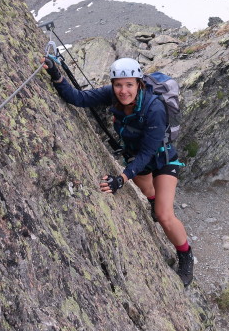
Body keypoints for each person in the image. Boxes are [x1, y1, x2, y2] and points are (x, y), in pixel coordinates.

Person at [42, 56, 194, 286]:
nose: (123, 91)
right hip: (138, 159)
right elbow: (79, 98)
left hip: (163, 160)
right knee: (146, 189)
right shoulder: (112, 93)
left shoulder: (154, 108)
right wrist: (57, 75)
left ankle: (185, 255)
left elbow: (146, 154)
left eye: (129, 84)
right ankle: (152, 200)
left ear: (139, 83)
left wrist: (120, 180)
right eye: (119, 84)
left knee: (164, 215)